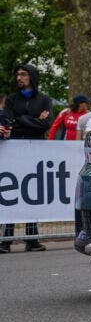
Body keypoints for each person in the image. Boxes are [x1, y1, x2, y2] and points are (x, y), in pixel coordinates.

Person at [2, 64, 52, 252]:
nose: (19, 78)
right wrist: (33, 121)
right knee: (12, 193)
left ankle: (32, 240)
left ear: (31, 76)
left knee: (32, 193)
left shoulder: (44, 100)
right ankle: (5, 240)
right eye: (17, 74)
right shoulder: (12, 100)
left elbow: (46, 124)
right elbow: (8, 122)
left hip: (35, 151)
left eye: (23, 74)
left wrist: (20, 119)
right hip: (15, 151)